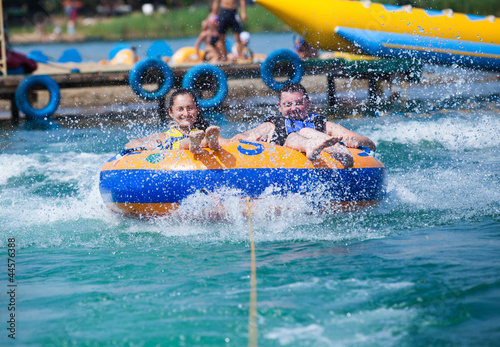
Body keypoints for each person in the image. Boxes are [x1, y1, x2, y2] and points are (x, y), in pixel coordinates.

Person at [231, 83, 376, 167]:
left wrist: (353, 141)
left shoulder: (323, 125)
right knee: (293, 136)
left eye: (298, 103)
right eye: (288, 104)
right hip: (287, 165)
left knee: (307, 130)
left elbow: (369, 144)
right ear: (279, 107)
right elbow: (242, 137)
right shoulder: (272, 126)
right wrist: (247, 140)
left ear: (308, 104)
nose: (293, 108)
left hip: (319, 164)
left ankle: (337, 150)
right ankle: (311, 146)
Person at [125, 89, 228, 154]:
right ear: (171, 113)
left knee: (210, 140)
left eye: (190, 108)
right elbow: (130, 144)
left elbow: (230, 142)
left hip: (202, 140)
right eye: (180, 109)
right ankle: (196, 144)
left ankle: (211, 143)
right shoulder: (163, 137)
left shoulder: (204, 132)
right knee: (184, 144)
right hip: (183, 146)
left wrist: (242, 136)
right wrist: (150, 146)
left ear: (197, 109)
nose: (186, 114)